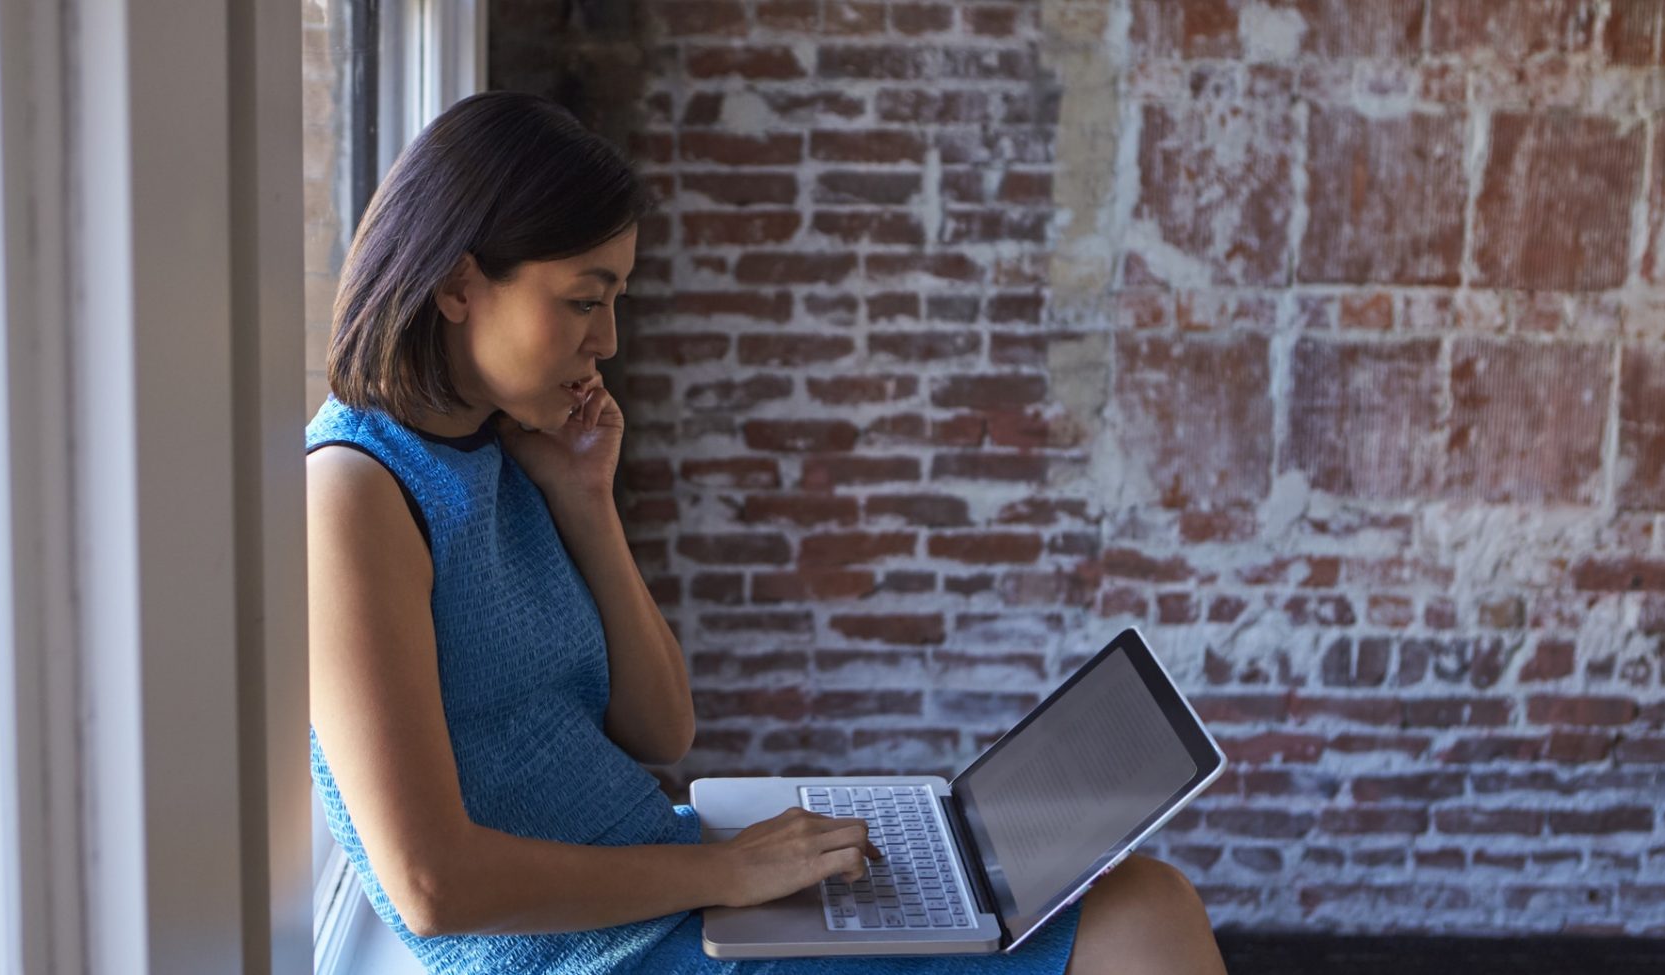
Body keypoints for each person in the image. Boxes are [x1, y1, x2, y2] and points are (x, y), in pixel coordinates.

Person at [306, 90, 1229, 974]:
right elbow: (432, 887)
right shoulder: (354, 493)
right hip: (597, 950)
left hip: (663, 890)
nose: (610, 340)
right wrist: (729, 871)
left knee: (1132, 897)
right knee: (1139, 915)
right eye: (587, 298)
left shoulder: (500, 446)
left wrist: (587, 502)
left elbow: (661, 728)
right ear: (462, 284)